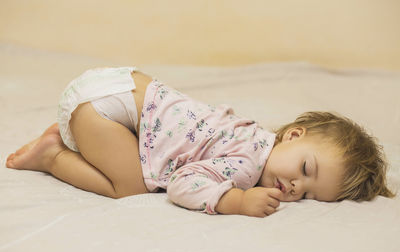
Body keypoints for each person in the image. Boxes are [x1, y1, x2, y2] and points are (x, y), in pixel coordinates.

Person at [6, 67, 395, 218]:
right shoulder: (246, 166)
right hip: (102, 110)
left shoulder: (253, 133)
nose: (295, 187)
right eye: (306, 170)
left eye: (307, 195)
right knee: (131, 188)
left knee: (139, 154)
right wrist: (234, 201)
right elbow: (182, 183)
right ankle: (53, 156)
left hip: (121, 83)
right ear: (293, 136)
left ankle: (70, 140)